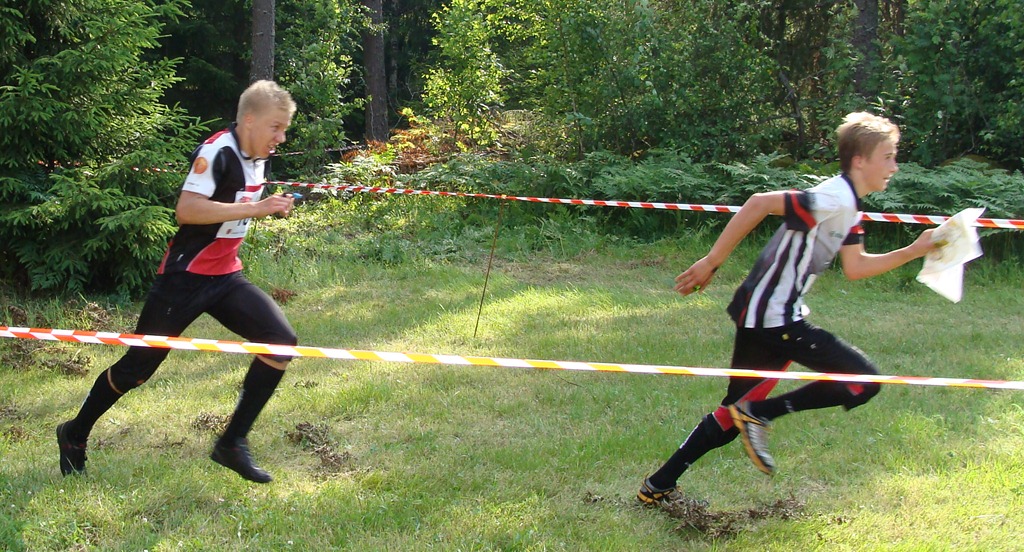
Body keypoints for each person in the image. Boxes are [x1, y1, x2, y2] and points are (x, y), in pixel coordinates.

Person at [638, 112, 937, 504]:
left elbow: (856, 267)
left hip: (765, 313)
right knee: (863, 380)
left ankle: (658, 485)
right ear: (860, 160)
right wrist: (712, 261)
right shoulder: (834, 198)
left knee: (732, 414)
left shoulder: (847, 204)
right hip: (773, 318)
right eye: (888, 156)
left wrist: (914, 250)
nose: (894, 166)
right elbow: (760, 202)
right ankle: (761, 413)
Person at [56, 80, 299, 483]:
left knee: (280, 342)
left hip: (226, 276)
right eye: (276, 127)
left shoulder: (258, 157)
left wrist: (267, 207)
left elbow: (236, 208)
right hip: (184, 279)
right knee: (136, 370)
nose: (281, 138)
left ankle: (231, 443)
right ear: (249, 120)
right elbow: (187, 210)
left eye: (284, 129)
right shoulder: (216, 151)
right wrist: (257, 208)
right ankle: (74, 433)